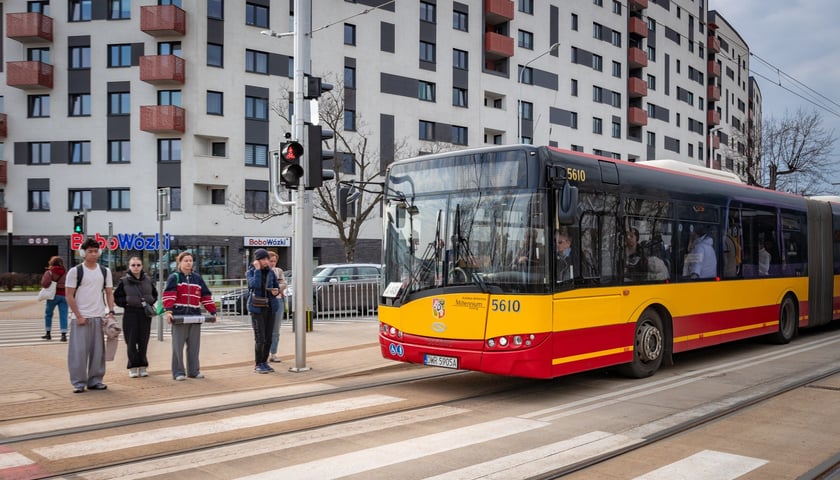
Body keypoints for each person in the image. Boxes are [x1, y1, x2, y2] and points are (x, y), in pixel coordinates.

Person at [65, 238, 116, 393]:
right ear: (83, 253)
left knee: (98, 353)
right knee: (78, 352)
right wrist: (78, 315)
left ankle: (95, 380)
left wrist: (111, 312)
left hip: (99, 316)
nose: (93, 254)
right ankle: (78, 383)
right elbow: (69, 295)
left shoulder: (105, 271)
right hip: (81, 318)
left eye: (95, 251)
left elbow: (109, 293)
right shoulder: (75, 271)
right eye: (90, 251)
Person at [162, 252, 217, 381]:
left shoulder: (197, 278)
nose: (188, 263)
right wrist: (168, 312)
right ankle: (178, 372)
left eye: (190, 260)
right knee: (178, 347)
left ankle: (194, 371)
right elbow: (168, 295)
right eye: (185, 260)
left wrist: (213, 311)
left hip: (195, 316)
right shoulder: (174, 278)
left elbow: (205, 296)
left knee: (194, 347)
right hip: (179, 317)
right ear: (179, 262)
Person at [114, 256, 158, 378]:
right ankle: (133, 366)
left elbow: (154, 294)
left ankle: (143, 365)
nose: (136, 267)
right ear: (129, 266)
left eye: (138, 265)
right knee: (131, 341)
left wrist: (150, 301)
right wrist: (126, 303)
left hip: (145, 314)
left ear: (142, 266)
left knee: (144, 340)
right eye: (133, 265)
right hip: (130, 313)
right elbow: (117, 297)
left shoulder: (148, 280)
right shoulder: (124, 281)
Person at [247, 248, 281, 374]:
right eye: (263, 259)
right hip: (257, 308)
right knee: (260, 337)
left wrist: (276, 291)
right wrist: (257, 270)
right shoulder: (251, 272)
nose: (266, 261)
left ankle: (264, 362)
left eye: (267, 259)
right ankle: (258, 363)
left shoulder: (271, 272)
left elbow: (276, 286)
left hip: (270, 307)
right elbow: (254, 285)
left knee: (268, 337)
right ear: (257, 261)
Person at [40, 256, 68, 341]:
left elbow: (44, 284)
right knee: (63, 315)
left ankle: (48, 333)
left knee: (48, 314)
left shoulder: (49, 272)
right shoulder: (66, 273)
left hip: (52, 296)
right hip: (64, 295)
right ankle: (63, 335)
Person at [267, 251, 288, 363]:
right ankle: (264, 353)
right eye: (271, 261)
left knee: (276, 329)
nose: (273, 263)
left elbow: (284, 283)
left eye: (274, 261)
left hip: (278, 300)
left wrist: (277, 289)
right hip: (266, 301)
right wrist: (272, 288)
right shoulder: (262, 271)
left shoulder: (278, 271)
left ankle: (273, 353)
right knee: (265, 329)